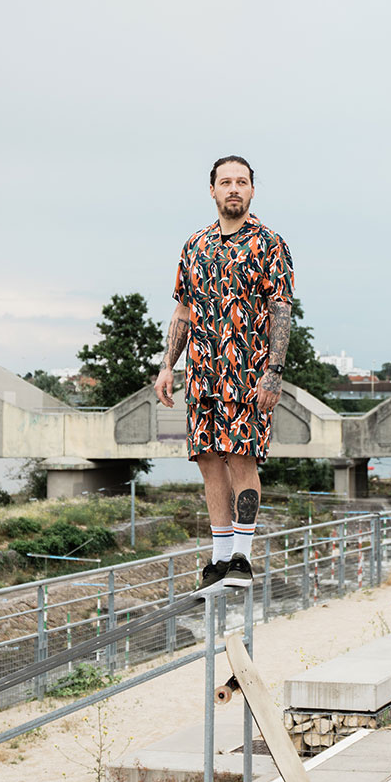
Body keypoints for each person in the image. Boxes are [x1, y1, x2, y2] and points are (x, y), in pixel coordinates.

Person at [154, 155, 293, 596]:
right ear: (212, 190)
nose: (234, 188)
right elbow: (183, 310)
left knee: (241, 458)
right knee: (210, 462)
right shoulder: (195, 244)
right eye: (225, 182)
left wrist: (274, 371)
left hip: (249, 375)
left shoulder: (270, 243)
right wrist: (166, 365)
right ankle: (218, 560)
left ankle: (242, 558)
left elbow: (281, 312)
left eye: (242, 182)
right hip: (203, 375)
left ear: (253, 190)